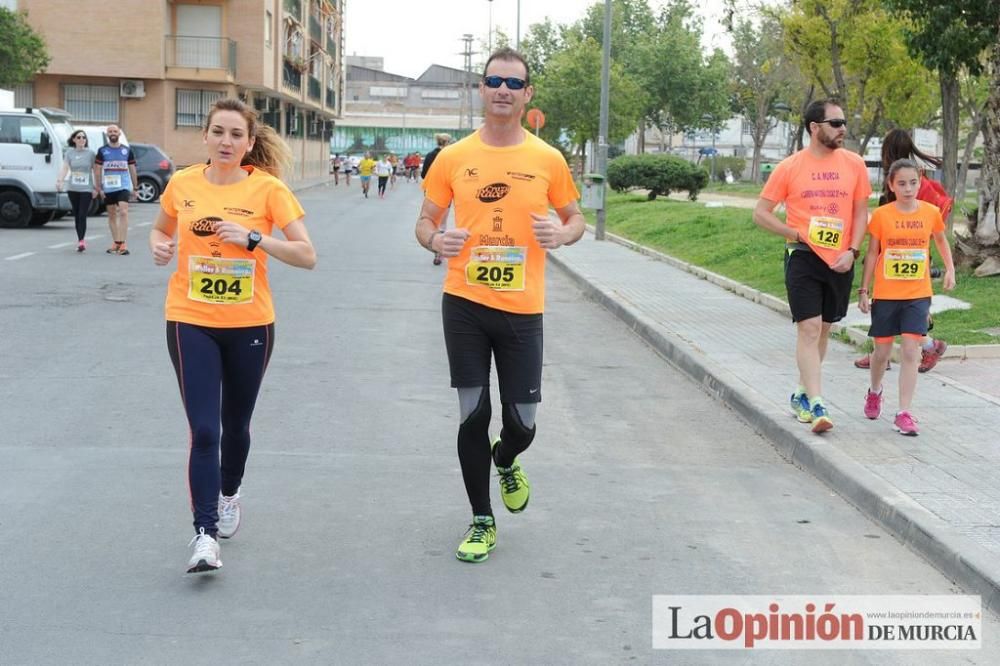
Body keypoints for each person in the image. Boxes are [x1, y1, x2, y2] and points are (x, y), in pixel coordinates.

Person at [414, 47, 584, 563]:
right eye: (494, 81)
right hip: (464, 302)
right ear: (481, 90)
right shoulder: (454, 157)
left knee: (523, 419)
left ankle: (506, 458)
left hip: (522, 306)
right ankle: (481, 520)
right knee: (473, 412)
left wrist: (561, 232)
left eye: (514, 83)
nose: (504, 90)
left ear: (527, 93)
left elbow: (573, 220)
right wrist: (433, 240)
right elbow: (425, 221)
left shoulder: (547, 159)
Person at [149, 98, 317, 574]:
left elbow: (307, 255)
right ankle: (204, 535)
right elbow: (160, 230)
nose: (226, 142)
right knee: (204, 429)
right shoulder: (182, 183)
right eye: (218, 132)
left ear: (249, 142)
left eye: (236, 135)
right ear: (205, 136)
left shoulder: (268, 190)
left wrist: (254, 239)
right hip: (189, 318)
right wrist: (160, 247)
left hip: (249, 324)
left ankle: (229, 491)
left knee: (236, 425)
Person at [753, 99, 871, 434]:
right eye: (835, 123)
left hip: (840, 259)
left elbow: (860, 212)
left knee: (823, 330)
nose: (843, 128)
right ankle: (818, 404)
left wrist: (852, 250)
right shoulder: (790, 167)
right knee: (808, 328)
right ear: (814, 128)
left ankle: (802, 392)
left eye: (844, 122)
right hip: (803, 255)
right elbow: (760, 213)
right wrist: (793, 231)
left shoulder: (855, 164)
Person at [858, 158, 956, 436]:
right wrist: (864, 290)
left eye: (913, 182)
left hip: (917, 293)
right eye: (901, 183)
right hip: (887, 294)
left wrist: (949, 269)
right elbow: (873, 253)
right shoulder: (882, 215)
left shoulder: (930, 212)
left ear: (920, 180)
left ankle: (903, 412)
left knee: (911, 350)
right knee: (883, 352)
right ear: (891, 185)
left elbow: (940, 240)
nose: (908, 188)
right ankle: (875, 392)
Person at [854, 128, 953, 373]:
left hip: (912, 254)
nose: (908, 188)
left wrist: (948, 267)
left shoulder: (905, 182)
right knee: (901, 313)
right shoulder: (903, 180)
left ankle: (921, 347)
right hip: (902, 258)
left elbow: (934, 230)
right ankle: (890, 353)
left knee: (911, 312)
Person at [93, 125, 138, 255]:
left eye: (115, 131)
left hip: (123, 186)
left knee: (123, 211)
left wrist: (135, 187)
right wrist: (98, 187)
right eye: (110, 131)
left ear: (119, 133)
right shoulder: (102, 151)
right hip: (109, 187)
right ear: (107, 134)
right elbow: (97, 169)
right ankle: (116, 242)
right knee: (112, 214)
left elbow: (132, 169)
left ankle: (123, 243)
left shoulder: (126, 150)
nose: (113, 133)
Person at [56, 129, 97, 252]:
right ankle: (79, 239)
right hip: (73, 188)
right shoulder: (69, 153)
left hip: (86, 188)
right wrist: (60, 181)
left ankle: (81, 241)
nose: (81, 140)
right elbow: (65, 168)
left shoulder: (90, 153)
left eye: (84, 137)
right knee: (76, 213)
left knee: (82, 214)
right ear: (74, 139)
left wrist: (96, 187)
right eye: (78, 137)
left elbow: (95, 170)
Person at [422, 133, 452, 265]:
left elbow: (423, 175)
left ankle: (436, 250)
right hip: (447, 191)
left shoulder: (429, 155)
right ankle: (439, 253)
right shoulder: (449, 156)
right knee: (443, 223)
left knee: (431, 220)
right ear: (447, 142)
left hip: (430, 191)